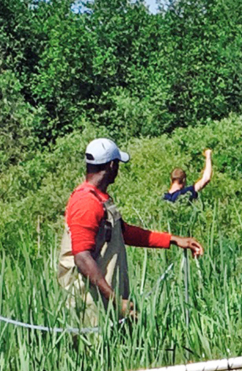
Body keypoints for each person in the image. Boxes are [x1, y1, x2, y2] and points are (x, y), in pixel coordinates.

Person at [60, 137, 204, 322]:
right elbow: (82, 258)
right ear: (112, 165)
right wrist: (116, 301)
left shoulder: (100, 199)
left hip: (104, 299)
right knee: (95, 349)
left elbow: (123, 232)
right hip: (89, 303)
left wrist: (173, 240)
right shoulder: (85, 203)